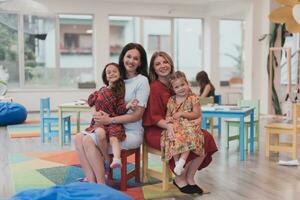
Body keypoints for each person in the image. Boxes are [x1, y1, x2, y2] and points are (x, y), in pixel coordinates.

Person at [143, 51, 218, 194]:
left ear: (170, 63)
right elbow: (154, 116)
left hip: (183, 125)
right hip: (158, 128)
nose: (163, 66)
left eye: (165, 62)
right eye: (158, 64)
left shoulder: (178, 84)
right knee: (182, 138)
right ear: (153, 69)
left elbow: (194, 106)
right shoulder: (154, 87)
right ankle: (179, 178)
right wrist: (169, 125)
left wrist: (198, 118)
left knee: (205, 136)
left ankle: (190, 177)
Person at [75, 43, 150, 184]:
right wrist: (96, 113)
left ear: (140, 62)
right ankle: (92, 179)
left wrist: (110, 120)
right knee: (78, 138)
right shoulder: (116, 78)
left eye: (136, 58)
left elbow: (137, 115)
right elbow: (98, 99)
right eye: (128, 56)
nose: (131, 61)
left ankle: (100, 184)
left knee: (87, 140)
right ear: (123, 57)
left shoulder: (142, 81)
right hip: (107, 127)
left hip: (129, 131)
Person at [84, 62, 138, 169]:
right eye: (108, 72)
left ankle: (117, 159)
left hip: (112, 120)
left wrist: (128, 106)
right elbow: (91, 102)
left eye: (114, 71)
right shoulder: (101, 90)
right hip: (99, 122)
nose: (111, 74)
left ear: (119, 74)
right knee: (99, 134)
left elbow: (120, 110)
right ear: (105, 76)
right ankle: (106, 159)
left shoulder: (120, 92)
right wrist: (94, 112)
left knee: (114, 138)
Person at [161, 71, 205, 176]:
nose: (180, 88)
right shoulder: (171, 100)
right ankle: (177, 163)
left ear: (187, 83)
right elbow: (168, 115)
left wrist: (182, 113)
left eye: (182, 85)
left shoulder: (193, 98)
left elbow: (196, 114)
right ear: (173, 89)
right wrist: (169, 119)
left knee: (188, 133)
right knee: (170, 135)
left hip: (188, 124)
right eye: (176, 87)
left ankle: (182, 161)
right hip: (175, 125)